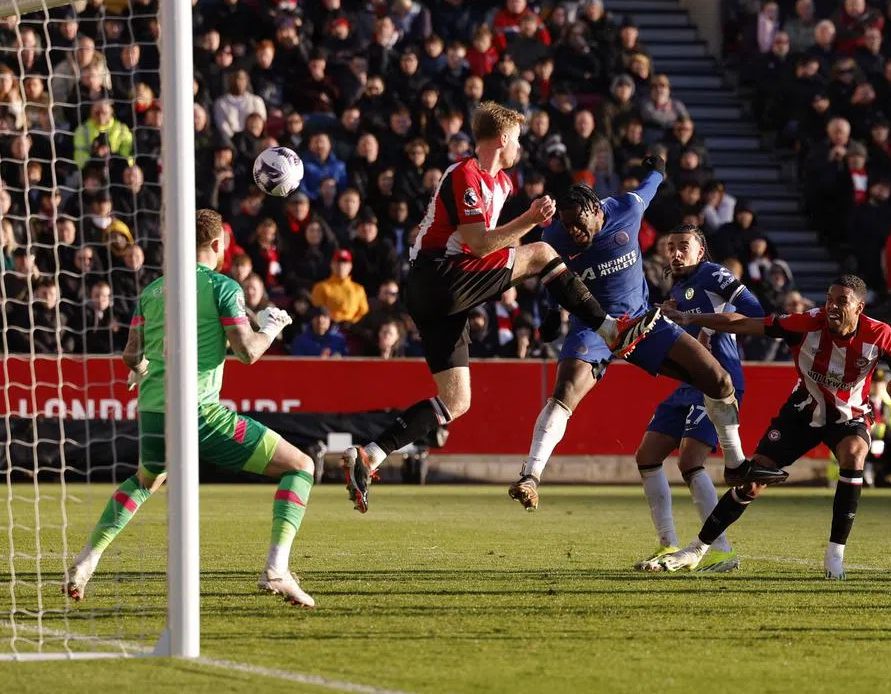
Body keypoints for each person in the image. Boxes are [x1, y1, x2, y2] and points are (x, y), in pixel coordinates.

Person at [339, 103, 664, 513]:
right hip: (438, 277)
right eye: (518, 140)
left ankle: (369, 454)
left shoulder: (504, 185)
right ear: (504, 139)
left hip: (448, 297)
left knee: (455, 401)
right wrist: (530, 227)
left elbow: (497, 246)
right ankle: (610, 330)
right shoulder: (465, 175)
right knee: (543, 250)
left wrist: (531, 272)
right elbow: (477, 242)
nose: (521, 148)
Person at [64, 210, 317, 607]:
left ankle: (85, 560)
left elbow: (132, 355)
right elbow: (247, 352)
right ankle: (276, 570)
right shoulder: (223, 286)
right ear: (218, 245)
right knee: (301, 466)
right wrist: (271, 326)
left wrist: (143, 370)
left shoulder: (153, 290)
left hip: (152, 410)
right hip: (198, 412)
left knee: (146, 481)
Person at [506, 174, 784, 512]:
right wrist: (552, 311)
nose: (573, 232)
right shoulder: (554, 236)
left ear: (596, 209)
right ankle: (530, 475)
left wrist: (658, 169)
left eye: (578, 223)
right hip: (591, 328)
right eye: (566, 226)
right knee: (565, 392)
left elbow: (651, 184)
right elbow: (553, 274)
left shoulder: (626, 207)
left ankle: (736, 464)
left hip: (640, 322)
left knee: (718, 380)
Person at [648, 275, 891, 579]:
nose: (832, 306)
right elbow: (742, 323)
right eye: (829, 299)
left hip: (850, 415)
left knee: (855, 453)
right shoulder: (806, 323)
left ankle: (834, 557)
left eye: (841, 301)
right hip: (801, 413)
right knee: (752, 481)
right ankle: (698, 549)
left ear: (860, 306)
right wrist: (689, 317)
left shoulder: (880, 335)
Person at [631, 224, 767, 573]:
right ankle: (667, 545)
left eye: (683, 246)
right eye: (670, 246)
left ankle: (721, 552)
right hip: (689, 382)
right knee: (647, 455)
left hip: (719, 380)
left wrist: (696, 319)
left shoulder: (714, 275)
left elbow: (754, 312)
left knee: (690, 460)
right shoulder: (678, 286)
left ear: (700, 251)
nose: (675, 253)